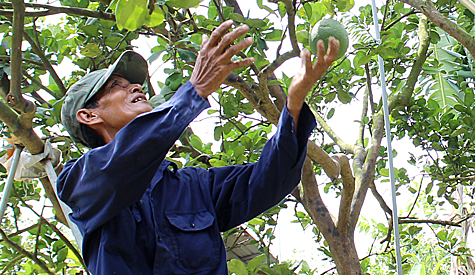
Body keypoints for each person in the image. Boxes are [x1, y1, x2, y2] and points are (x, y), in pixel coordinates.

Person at [56, 21, 339, 275]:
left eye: (133, 83)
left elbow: (270, 179)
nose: (135, 87)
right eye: (116, 86)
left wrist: (294, 105)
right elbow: (123, 162)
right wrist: (194, 91)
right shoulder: (78, 182)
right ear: (89, 115)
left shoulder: (194, 186)